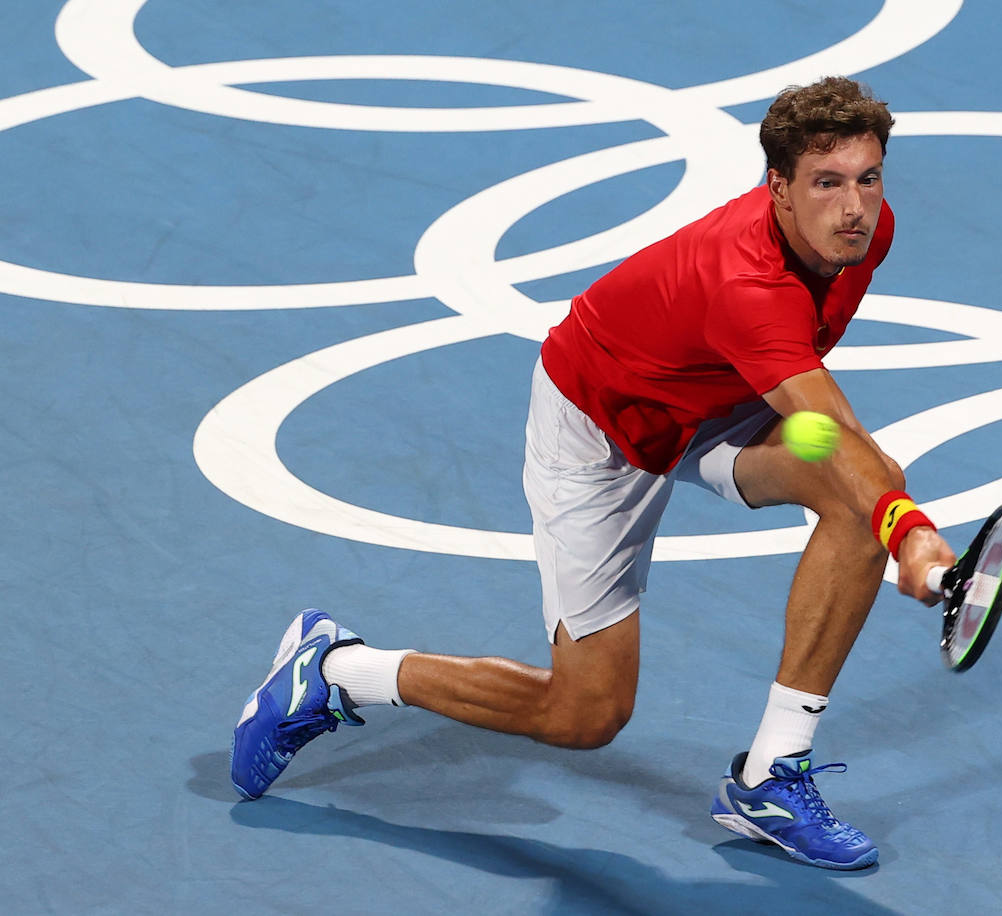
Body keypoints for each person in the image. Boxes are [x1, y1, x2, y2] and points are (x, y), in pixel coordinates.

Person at [230, 76, 956, 871]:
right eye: (827, 183)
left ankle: (771, 778)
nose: (854, 207)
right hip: (603, 426)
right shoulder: (746, 286)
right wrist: (912, 531)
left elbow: (835, 439)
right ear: (777, 187)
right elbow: (836, 425)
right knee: (585, 713)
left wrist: (886, 515)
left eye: (868, 178)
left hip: (712, 394)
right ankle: (335, 672)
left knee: (859, 493)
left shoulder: (862, 234)